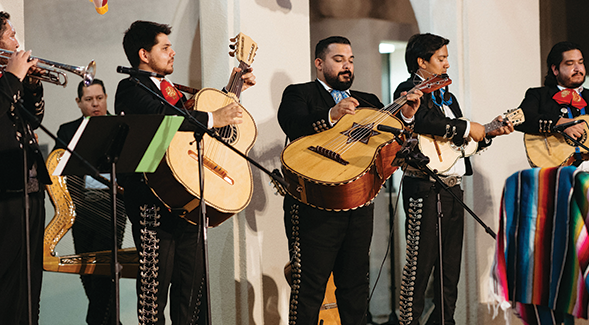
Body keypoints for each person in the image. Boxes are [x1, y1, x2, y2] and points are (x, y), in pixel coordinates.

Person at [114, 20, 255, 325]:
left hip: (188, 199)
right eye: (164, 47)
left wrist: (232, 88)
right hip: (151, 199)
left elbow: (191, 126)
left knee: (191, 292)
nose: (173, 52)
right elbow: (164, 118)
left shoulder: (174, 93)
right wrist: (211, 116)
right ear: (144, 54)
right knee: (155, 292)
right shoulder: (131, 88)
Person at [277, 35, 422, 325]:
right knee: (309, 287)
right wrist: (331, 115)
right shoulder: (300, 93)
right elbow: (292, 123)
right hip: (313, 204)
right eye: (339, 59)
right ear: (319, 64)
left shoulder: (369, 102)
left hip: (358, 202)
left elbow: (391, 141)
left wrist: (405, 117)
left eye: (351, 60)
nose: (347, 66)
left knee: (355, 288)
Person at [394, 33, 513, 325]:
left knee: (449, 268)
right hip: (423, 187)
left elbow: (457, 147)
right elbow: (423, 121)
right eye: (441, 58)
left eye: (447, 58)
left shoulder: (448, 97)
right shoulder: (407, 89)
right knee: (419, 266)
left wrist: (488, 133)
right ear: (422, 62)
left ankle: (445, 321)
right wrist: (465, 126)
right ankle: (409, 322)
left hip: (452, 189)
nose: (447, 64)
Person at [53, 79, 127, 325]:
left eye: (99, 98)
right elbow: (58, 172)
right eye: (88, 99)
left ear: (106, 97)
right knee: (87, 271)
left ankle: (95, 321)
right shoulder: (67, 131)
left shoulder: (122, 125)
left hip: (113, 206)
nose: (95, 104)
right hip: (81, 209)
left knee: (105, 273)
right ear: (78, 102)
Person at [0, 11, 49, 325]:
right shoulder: (5, 80)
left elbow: (29, 123)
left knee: (30, 282)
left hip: (30, 188)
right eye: (11, 36)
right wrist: (13, 78)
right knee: (8, 282)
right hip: (5, 195)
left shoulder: (7, 82)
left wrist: (30, 88)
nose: (18, 44)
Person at [515, 41, 588, 165]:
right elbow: (522, 119)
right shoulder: (539, 95)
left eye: (580, 62)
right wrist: (559, 123)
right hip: (557, 167)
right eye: (570, 63)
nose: (578, 68)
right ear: (555, 69)